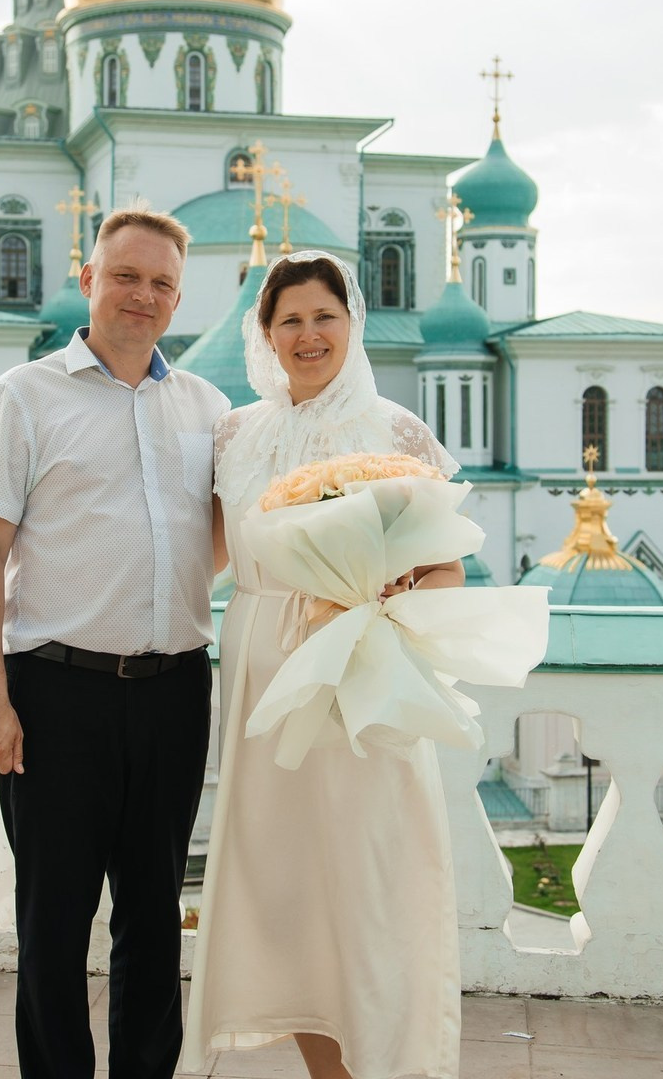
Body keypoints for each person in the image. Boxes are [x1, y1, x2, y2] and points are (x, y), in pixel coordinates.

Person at [0, 205, 229, 1079]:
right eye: (126, 276)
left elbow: (217, 537)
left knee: (153, 918)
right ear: (89, 281)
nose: (141, 295)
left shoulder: (206, 406)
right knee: (54, 925)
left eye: (160, 283)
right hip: (56, 697)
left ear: (178, 298)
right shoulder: (25, 396)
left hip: (173, 693)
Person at [184, 250, 466, 1079]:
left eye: (324, 316)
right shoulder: (236, 434)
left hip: (360, 676)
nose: (308, 335)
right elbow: (207, 559)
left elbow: (446, 570)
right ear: (264, 334)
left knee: (369, 881)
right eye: (290, 320)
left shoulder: (397, 431)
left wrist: (381, 598)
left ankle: (389, 1057)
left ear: (352, 324)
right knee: (286, 890)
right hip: (260, 675)